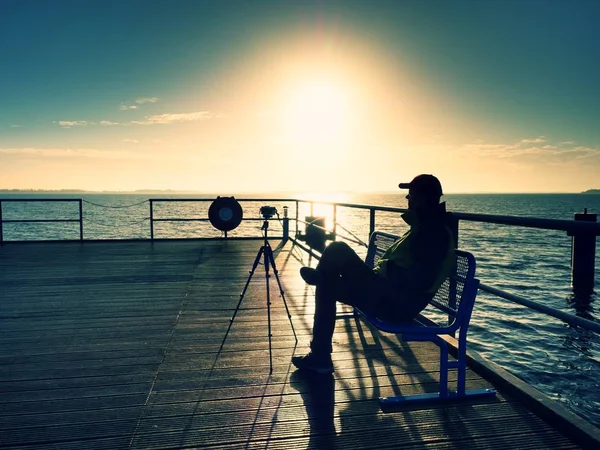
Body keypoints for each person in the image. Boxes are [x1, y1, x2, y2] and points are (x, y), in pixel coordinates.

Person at [292, 174, 455, 374]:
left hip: (395, 303)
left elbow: (422, 280)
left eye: (411, 195)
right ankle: (320, 356)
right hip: (386, 294)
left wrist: (384, 277)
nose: (407, 199)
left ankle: (320, 354)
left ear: (423, 198)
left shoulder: (433, 233)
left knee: (337, 250)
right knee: (328, 284)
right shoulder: (423, 228)